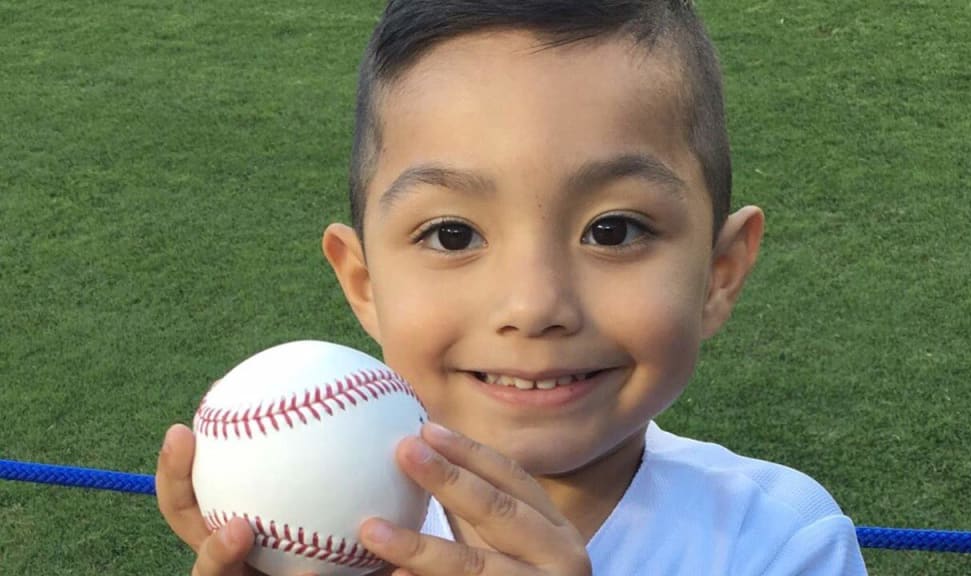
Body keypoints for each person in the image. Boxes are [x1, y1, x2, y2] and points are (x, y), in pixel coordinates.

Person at [156, 1, 869, 574]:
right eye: (453, 236)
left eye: (613, 231)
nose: (534, 306)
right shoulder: (321, 523)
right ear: (364, 282)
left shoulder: (778, 544)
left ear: (720, 273)